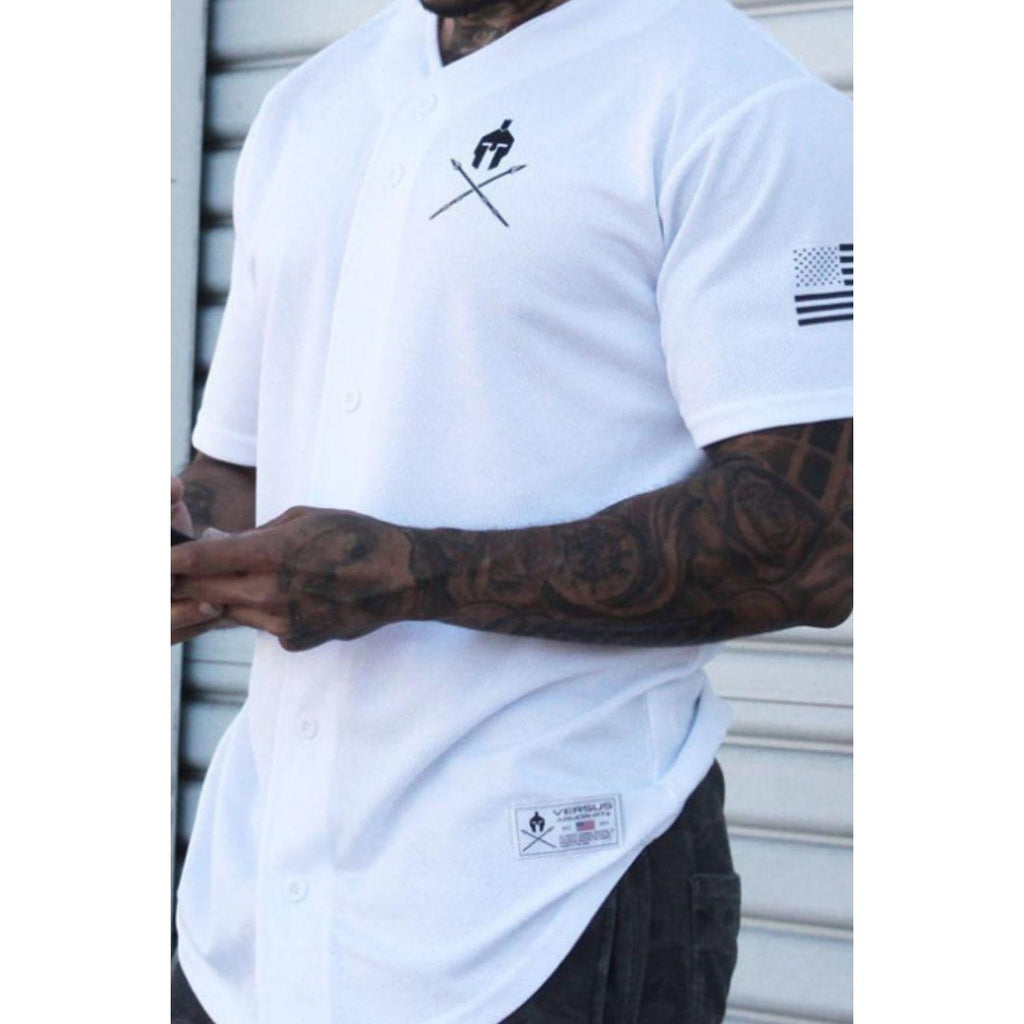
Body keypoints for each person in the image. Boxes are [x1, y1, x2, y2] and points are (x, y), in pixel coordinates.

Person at [170, 0, 853, 1021]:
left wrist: (411, 574)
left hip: (552, 903)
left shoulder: (731, 102)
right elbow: (233, 473)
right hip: (253, 916)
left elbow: (817, 545)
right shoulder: (311, 105)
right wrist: (180, 537)